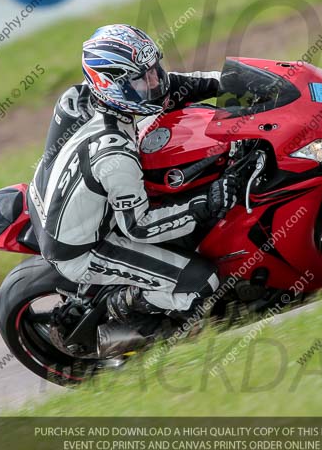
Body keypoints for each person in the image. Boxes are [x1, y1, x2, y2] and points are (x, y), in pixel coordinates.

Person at [27, 24, 237, 356]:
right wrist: (205, 203)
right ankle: (126, 314)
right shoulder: (115, 154)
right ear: (112, 87)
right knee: (201, 284)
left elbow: (179, 87)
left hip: (48, 199)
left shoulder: (77, 98)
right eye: (143, 79)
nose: (154, 83)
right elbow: (140, 226)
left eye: (154, 71)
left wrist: (232, 82)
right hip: (83, 246)